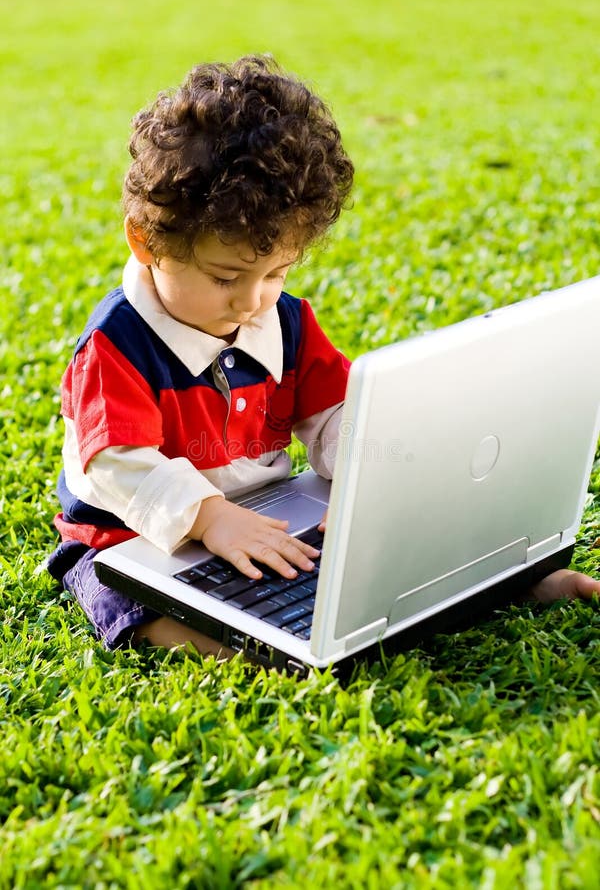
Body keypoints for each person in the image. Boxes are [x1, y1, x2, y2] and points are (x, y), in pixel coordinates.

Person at [48, 56, 598, 659]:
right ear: (146, 240)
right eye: (225, 276)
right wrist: (209, 519)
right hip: (129, 538)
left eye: (276, 273)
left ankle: (504, 584)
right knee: (150, 610)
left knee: (377, 559)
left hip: (266, 514)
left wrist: (365, 485)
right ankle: (263, 649)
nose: (252, 300)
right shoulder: (116, 345)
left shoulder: (281, 322)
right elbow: (117, 464)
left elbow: (338, 414)